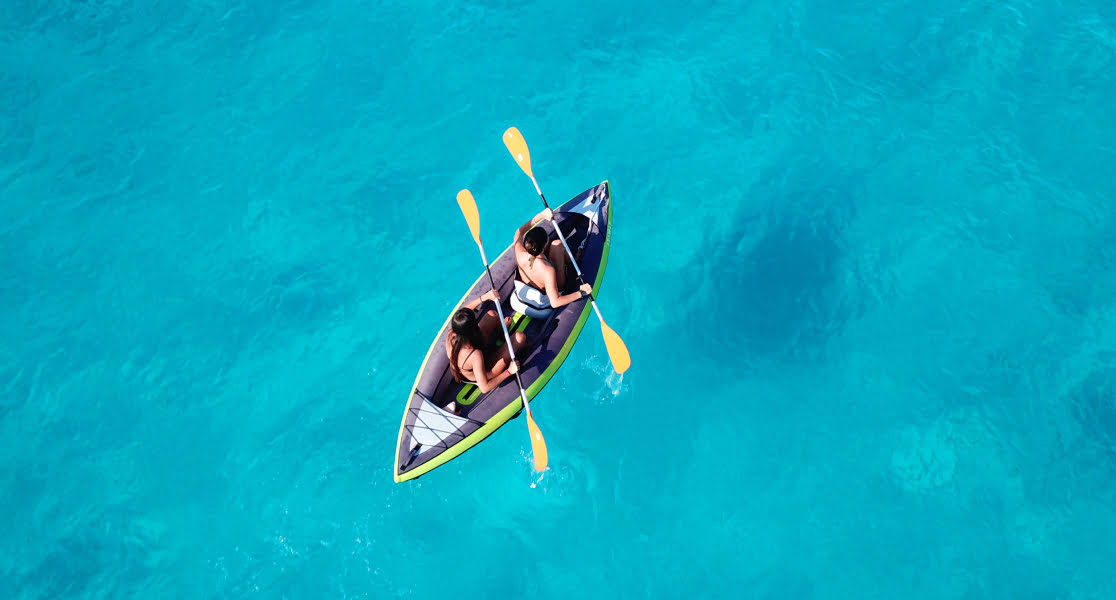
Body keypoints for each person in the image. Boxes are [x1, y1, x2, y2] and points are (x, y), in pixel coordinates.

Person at [444, 288, 528, 404]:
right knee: (520, 338)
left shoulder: (453, 332)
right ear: (472, 330)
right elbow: (484, 388)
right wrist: (509, 371)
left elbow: (465, 311)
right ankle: (520, 346)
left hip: (472, 355)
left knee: (492, 315)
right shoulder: (474, 355)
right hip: (484, 372)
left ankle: (502, 331)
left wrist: (485, 297)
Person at [513, 208, 592, 310]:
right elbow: (555, 302)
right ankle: (575, 262)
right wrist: (581, 292)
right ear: (545, 245)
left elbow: (518, 233)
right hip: (549, 292)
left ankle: (573, 261)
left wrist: (541, 215)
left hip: (531, 287)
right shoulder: (547, 270)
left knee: (557, 244)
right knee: (557, 244)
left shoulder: (520, 253)